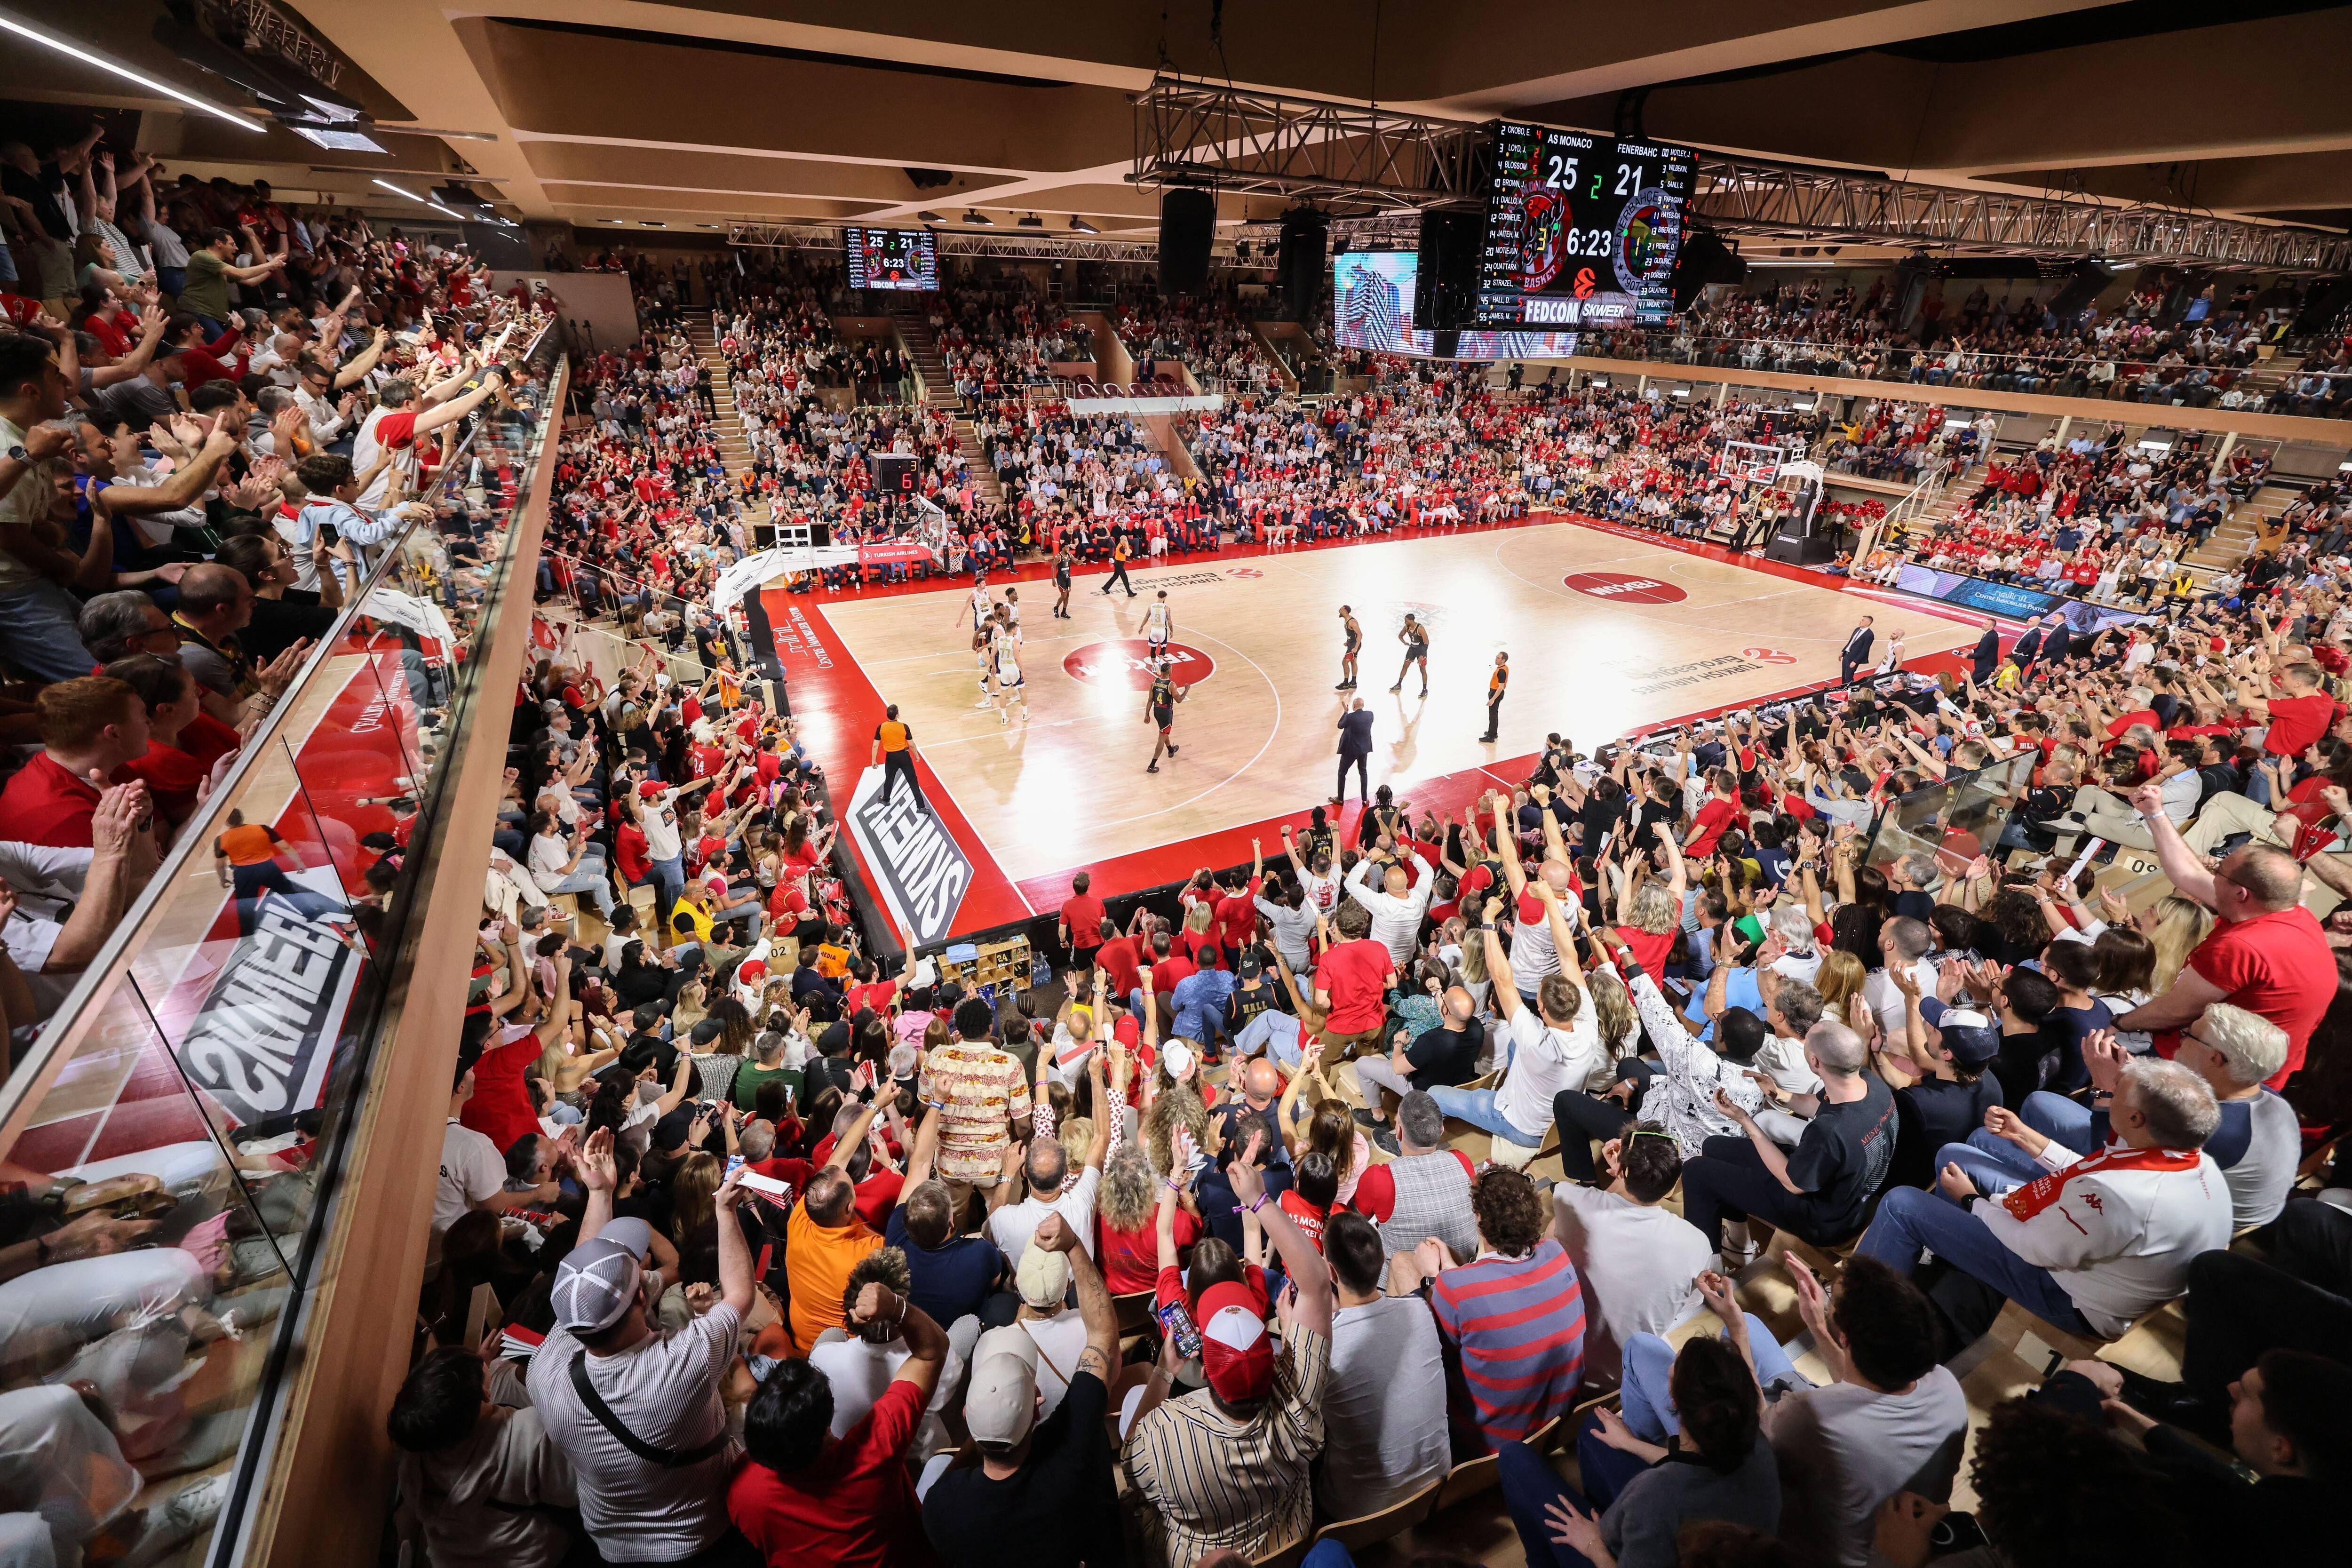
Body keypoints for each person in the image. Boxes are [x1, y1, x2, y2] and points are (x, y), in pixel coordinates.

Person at [1856, 1052, 2231, 1340]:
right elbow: (2090, 1168)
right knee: (1970, 1146)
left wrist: (1973, 1202)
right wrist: (2025, 1137)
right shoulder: (2188, 1161)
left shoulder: (2119, 1198)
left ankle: (1858, 1318)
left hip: (2069, 1295)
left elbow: (2034, 1247)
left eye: (2116, 1089)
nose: (2108, 1092)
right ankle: (1949, 1261)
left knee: (1901, 1203)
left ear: (2136, 1119)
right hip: (2095, 1259)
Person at [526, 1127, 760, 1566]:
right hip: (701, 1535)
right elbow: (740, 1297)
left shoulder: (546, 1370)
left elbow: (579, 1286)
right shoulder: (680, 1366)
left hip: (613, 1547)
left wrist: (599, 1194)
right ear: (641, 1296)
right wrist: (725, 1212)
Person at [1121, 1136, 1334, 1566]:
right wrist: (1258, 1201)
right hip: (1287, 1541)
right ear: (1272, 1350)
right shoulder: (1301, 1413)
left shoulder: (1161, 1439)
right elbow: (1316, 1284)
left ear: (1209, 1373)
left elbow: (1130, 1465)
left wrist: (1163, 1371)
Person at [922, 1215, 1124, 1568]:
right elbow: (1103, 1335)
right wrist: (1074, 1244)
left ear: (966, 1415)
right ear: (1037, 1409)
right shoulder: (1073, 1463)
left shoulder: (942, 1505)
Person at [2111, 785, 2332, 1088]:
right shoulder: (2290, 914)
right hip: (2238, 1063)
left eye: (2220, 873)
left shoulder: (2242, 947)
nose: (2212, 873)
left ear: (2241, 894)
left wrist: (2118, 1025)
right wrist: (2156, 814)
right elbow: (2188, 874)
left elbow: (2176, 1011)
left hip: (2215, 1076)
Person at [1497, 1332, 1779, 1568]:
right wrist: (1631, 1444)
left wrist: (1594, 1545)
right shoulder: (1756, 1444)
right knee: (1596, 1428)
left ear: (1675, 1403)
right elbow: (1696, 1469)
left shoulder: (1657, 1497)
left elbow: (1672, 1487)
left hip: (1616, 1554)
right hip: (1676, 1534)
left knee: (1512, 1457)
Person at [728, 1272, 948, 1568]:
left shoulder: (742, 1492)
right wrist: (897, 1307)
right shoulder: (875, 1452)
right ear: (827, 1419)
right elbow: (931, 1353)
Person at [1764, 1257, 1968, 1568]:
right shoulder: (1947, 1385)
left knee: (1747, 1332)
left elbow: (1750, 1447)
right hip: (1909, 1541)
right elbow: (1863, 1385)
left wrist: (1737, 1331)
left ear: (1845, 1338)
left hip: (1828, 1555)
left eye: (1831, 1300)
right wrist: (1818, 1326)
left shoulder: (1810, 1419)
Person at [1680, 1019, 1895, 1269]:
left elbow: (1792, 1183)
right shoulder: (1873, 1086)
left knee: (1696, 1171)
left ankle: (1708, 1278)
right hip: (1847, 1193)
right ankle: (1740, 1245)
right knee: (1715, 1147)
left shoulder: (1830, 1132)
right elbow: (1820, 1106)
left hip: (1825, 1219)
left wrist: (1745, 1120)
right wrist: (1778, 1093)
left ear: (1815, 1062)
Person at [1403, 1165, 1583, 1452]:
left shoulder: (1457, 1290)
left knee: (1404, 1270)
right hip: (1556, 1426)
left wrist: (1432, 1279)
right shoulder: (1557, 1255)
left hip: (1489, 1442)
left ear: (1479, 1219)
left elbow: (1438, 1357)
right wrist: (1451, 1274)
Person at [387, 1348, 579, 1568]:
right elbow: (582, 1491)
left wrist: (467, 1382)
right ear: (486, 1394)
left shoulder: (414, 1457)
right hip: (533, 1558)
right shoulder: (528, 1437)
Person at [1549, 1132, 1711, 1387]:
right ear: (1671, 1188)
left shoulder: (1568, 1197)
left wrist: (1618, 1176)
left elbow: (1548, 1255)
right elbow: (1690, 1303)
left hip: (1560, 1365)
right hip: (1626, 1378)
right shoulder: (1698, 1243)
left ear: (1621, 1171)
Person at [1318, 1209, 1450, 1521]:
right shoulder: (1421, 1310)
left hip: (1357, 1512)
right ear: (1380, 1261)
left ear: (1331, 1272)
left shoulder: (1324, 1347)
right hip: (1436, 1484)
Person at [1335, 1090, 1478, 1262]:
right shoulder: (1462, 1160)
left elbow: (1354, 1220)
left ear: (1399, 1132)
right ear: (1441, 1130)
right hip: (1464, 1269)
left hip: (1407, 1280)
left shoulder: (1379, 1179)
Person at [872, 706, 922, 808]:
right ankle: (921, 806)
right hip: (904, 756)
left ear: (888, 715)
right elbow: (911, 744)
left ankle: (886, 799)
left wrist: (874, 760)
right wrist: (916, 755)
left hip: (891, 758)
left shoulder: (881, 727)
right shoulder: (904, 727)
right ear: (897, 716)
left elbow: (875, 745)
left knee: (889, 779)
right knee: (913, 781)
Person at [1144, 657, 1186, 775]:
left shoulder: (1154, 682)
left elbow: (1150, 700)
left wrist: (1147, 715)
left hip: (1156, 711)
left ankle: (1171, 750)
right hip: (1166, 713)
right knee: (1161, 738)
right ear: (1169, 672)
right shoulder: (1172, 685)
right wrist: (1187, 690)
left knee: (1164, 732)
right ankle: (1152, 766)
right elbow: (1179, 700)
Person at [1333, 696, 1374, 803]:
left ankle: (1340, 798)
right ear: (1363, 706)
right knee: (1363, 772)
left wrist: (1346, 712)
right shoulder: (1370, 715)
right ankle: (1365, 799)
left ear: (1354, 706)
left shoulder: (1350, 717)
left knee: (1342, 772)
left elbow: (1340, 725)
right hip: (1364, 750)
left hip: (1350, 750)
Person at [1390, 613, 1429, 697]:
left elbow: (1427, 642)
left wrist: (1422, 655)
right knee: (1405, 666)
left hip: (1421, 650)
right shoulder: (1407, 628)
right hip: (1412, 649)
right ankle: (1399, 685)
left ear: (1411, 621)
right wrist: (1404, 642)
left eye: (1406, 621)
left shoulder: (1420, 628)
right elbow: (1400, 635)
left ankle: (1425, 689)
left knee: (1423, 671)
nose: (1405, 622)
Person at [1838, 616, 1875, 688]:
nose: (1860, 621)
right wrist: (1843, 652)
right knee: (1844, 676)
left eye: (1863, 620)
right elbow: (1850, 642)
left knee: (1849, 677)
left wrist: (1856, 661)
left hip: (1854, 658)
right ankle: (1843, 691)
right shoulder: (1857, 629)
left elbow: (1865, 650)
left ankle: (1851, 691)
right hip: (1847, 655)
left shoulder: (1869, 635)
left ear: (1869, 623)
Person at [1482, 651, 1510, 743]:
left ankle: (1491, 737)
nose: (1496, 659)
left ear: (1503, 660)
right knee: (1494, 714)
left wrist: (1492, 699)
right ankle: (1493, 732)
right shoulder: (1504, 668)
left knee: (1493, 715)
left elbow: (1501, 687)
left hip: (1496, 693)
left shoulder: (1501, 672)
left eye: (1498, 658)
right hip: (1495, 692)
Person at [1336, 604, 1360, 690]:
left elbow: (1360, 635)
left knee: (1345, 662)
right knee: (1353, 663)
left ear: (1345, 611)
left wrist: (1356, 648)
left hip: (1354, 646)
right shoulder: (1347, 620)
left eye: (1341, 609)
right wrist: (1347, 641)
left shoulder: (1352, 622)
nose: (1339, 610)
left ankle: (1346, 683)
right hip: (1351, 644)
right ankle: (1353, 683)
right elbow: (1352, 634)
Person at [1101, 533, 1134, 597]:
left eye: (1127, 540)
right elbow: (1128, 554)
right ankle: (1130, 593)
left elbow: (1130, 551)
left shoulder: (1122, 545)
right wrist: (1127, 546)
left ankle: (1106, 587)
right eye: (1125, 540)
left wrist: (1128, 549)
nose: (1126, 541)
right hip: (1119, 564)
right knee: (1125, 578)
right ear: (1121, 540)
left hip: (1119, 563)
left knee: (1115, 576)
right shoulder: (1121, 548)